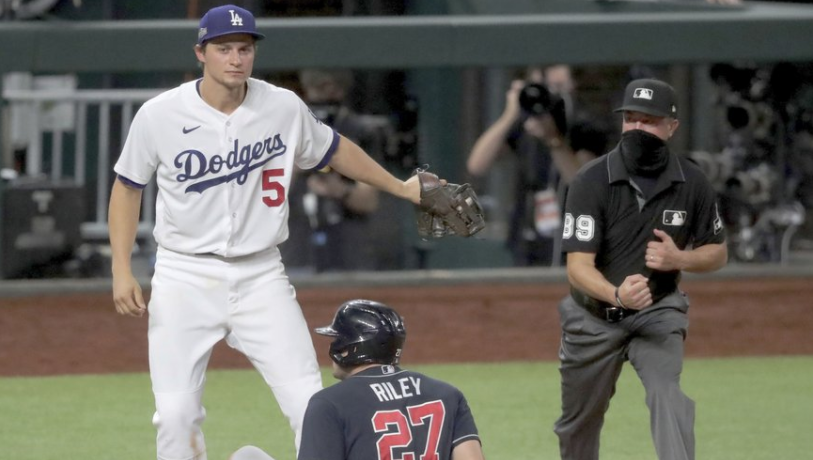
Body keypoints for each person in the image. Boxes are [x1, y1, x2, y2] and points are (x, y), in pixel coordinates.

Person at [107, 5, 428, 460]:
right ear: (201, 52)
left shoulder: (282, 106)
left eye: (244, 48)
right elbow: (126, 188)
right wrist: (121, 268)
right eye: (224, 49)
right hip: (183, 276)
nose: (236, 58)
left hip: (261, 276)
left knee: (311, 404)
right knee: (176, 418)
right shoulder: (159, 115)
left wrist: (400, 186)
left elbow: (336, 150)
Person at [554, 78, 728, 460]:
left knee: (668, 396)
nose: (637, 128)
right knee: (578, 424)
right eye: (630, 119)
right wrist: (617, 294)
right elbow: (577, 267)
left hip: (658, 311)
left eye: (648, 121)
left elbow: (717, 252)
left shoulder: (692, 181)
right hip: (593, 316)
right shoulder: (591, 180)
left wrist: (680, 259)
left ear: (671, 126)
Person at [228, 300, 485, 460]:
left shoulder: (329, 403)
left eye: (337, 338)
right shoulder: (447, 394)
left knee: (245, 456)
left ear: (351, 347)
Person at [467, 64, 609, 267]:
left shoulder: (583, 125)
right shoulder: (525, 126)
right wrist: (511, 113)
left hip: (571, 243)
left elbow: (580, 181)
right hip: (526, 239)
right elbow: (477, 165)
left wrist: (553, 139)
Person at [282, 69, 401, 272]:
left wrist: (340, 190)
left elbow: (369, 201)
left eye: (334, 88)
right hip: (298, 243)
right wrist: (297, 161)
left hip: (349, 246)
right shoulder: (288, 128)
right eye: (319, 88)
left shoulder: (358, 130)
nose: (327, 95)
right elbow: (266, 198)